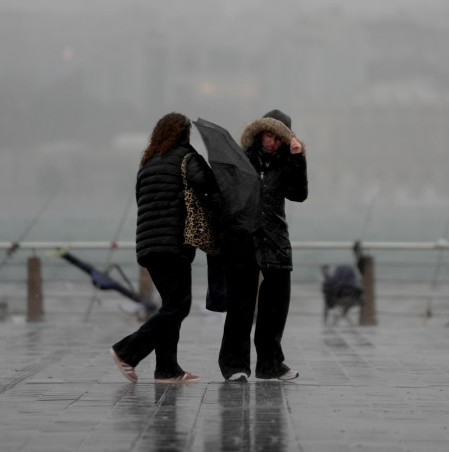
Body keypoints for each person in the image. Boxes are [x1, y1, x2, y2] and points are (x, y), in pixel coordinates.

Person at [110, 112, 221, 384]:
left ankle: (167, 369)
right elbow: (210, 187)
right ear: (184, 134)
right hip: (174, 244)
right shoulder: (187, 157)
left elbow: (142, 200)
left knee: (170, 306)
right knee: (179, 306)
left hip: (149, 245)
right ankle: (126, 351)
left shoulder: (147, 162)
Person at [218, 109, 308, 382]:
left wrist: (298, 158)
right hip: (243, 240)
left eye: (278, 138)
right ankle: (234, 365)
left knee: (275, 309)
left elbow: (299, 194)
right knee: (240, 307)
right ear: (260, 134)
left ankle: (270, 365)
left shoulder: (287, 162)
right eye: (268, 135)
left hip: (276, 241)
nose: (272, 142)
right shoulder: (242, 160)